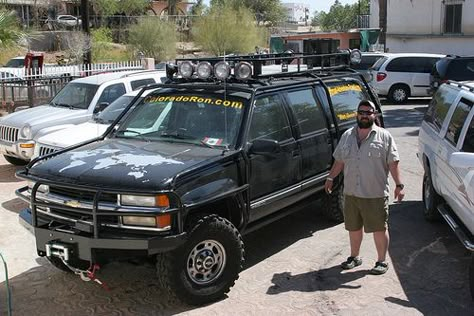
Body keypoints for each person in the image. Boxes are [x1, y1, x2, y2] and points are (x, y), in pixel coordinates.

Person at [324, 100, 405, 275]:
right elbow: (339, 160)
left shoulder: (384, 136)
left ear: (374, 115)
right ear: (357, 114)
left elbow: (393, 162)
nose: (365, 115)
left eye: (369, 112)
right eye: (362, 112)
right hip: (352, 193)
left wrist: (399, 185)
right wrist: (331, 177)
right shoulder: (347, 136)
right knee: (353, 228)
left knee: (379, 228)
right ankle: (355, 257)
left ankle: (381, 261)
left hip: (374, 193)